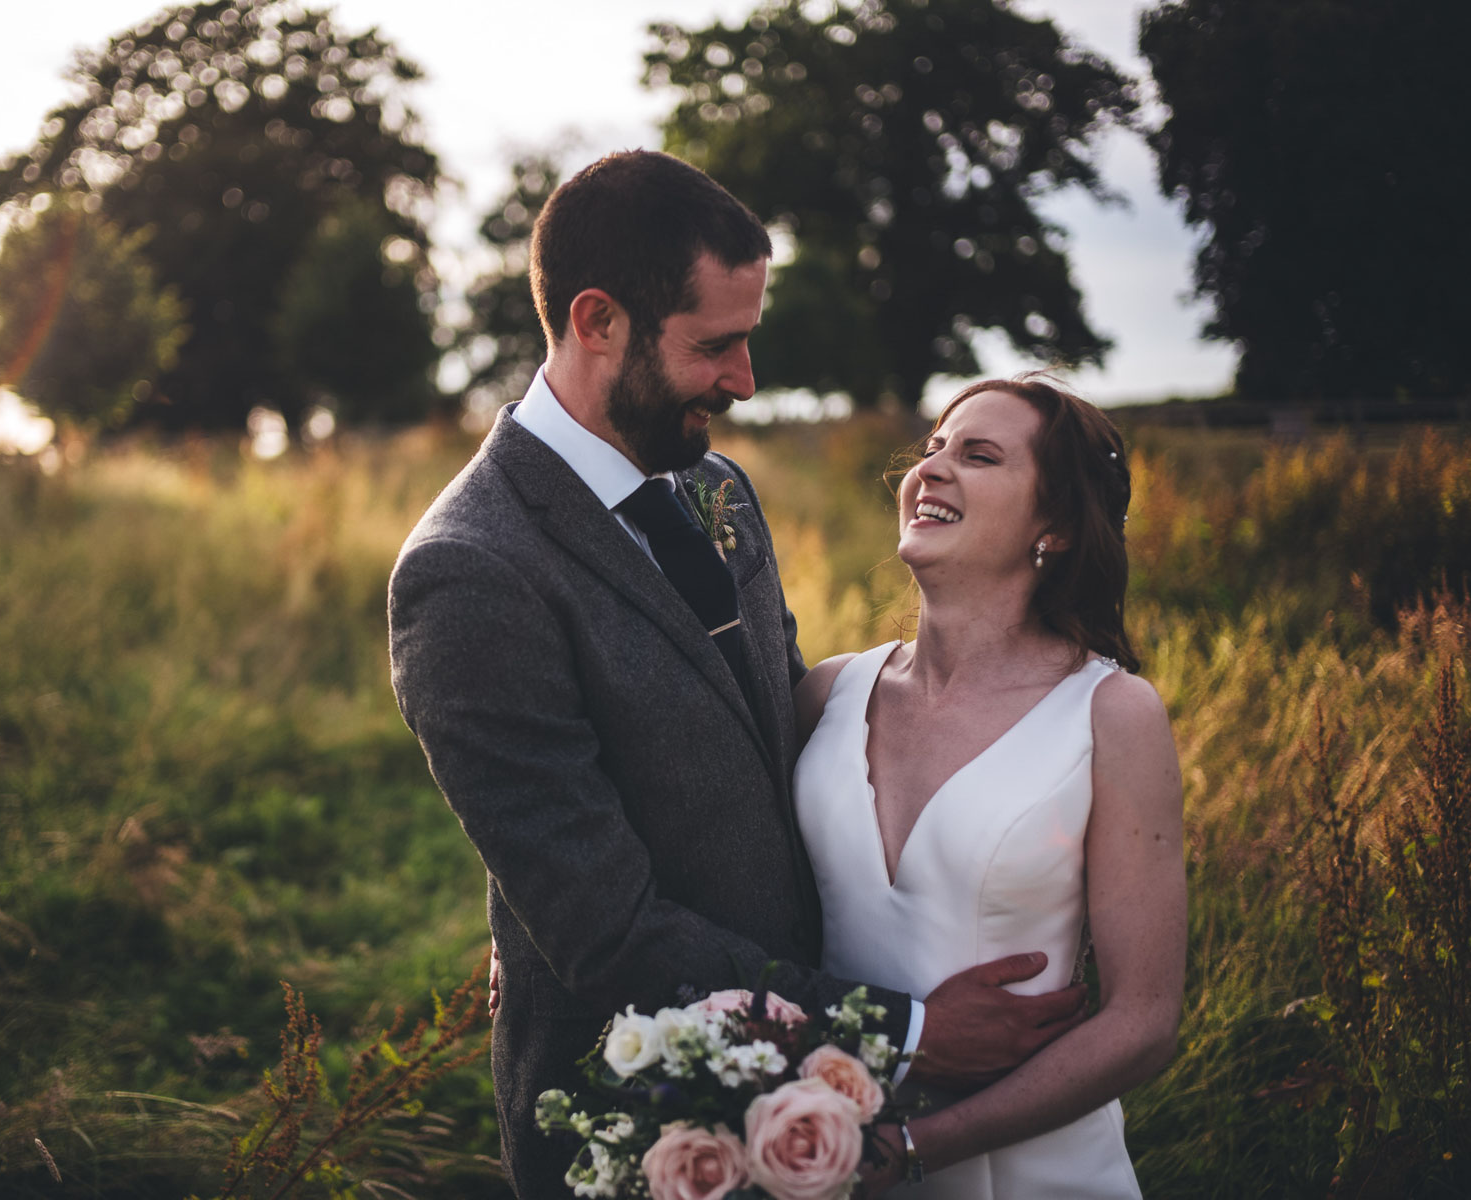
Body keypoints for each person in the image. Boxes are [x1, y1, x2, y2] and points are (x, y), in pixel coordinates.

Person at [388, 151, 1084, 1198]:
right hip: (644, 1116)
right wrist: (911, 1030)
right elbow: (606, 930)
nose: (746, 380)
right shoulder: (470, 573)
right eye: (717, 344)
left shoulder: (715, 487)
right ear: (597, 322)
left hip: (816, 1091)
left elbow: (777, 734)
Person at [793, 376, 1186, 1196]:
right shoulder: (828, 694)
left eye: (978, 456)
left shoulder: (1111, 715)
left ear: (1057, 527)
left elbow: (1143, 1022)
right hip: (824, 1155)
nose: (932, 470)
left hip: (1029, 1172)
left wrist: (915, 1145)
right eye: (933, 449)